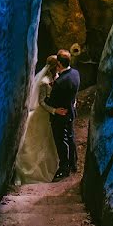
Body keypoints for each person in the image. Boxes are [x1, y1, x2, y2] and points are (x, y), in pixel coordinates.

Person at [13, 55, 60, 184]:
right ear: (54, 66)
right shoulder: (44, 82)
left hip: (49, 115)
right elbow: (41, 102)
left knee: (49, 142)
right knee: (40, 142)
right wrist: (54, 110)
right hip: (42, 114)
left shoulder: (55, 77)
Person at [45, 49, 80, 181]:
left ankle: (64, 168)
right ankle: (74, 164)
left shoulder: (60, 83)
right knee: (70, 138)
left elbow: (51, 101)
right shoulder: (75, 73)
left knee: (61, 141)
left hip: (60, 116)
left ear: (59, 63)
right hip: (71, 111)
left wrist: (48, 93)